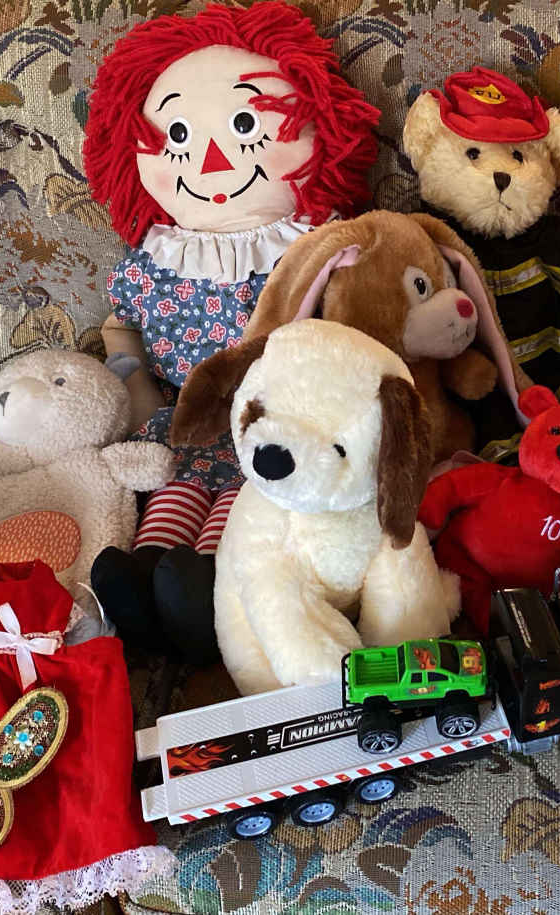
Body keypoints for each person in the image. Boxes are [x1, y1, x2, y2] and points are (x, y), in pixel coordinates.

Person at [81, 2, 379, 661]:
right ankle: (145, 589)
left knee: (237, 517)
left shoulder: (314, 249)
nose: (213, 157)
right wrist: (131, 380)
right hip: (184, 419)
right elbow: (121, 328)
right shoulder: (159, 255)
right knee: (174, 498)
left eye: (245, 124)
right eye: (179, 135)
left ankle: (205, 599)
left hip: (271, 430)